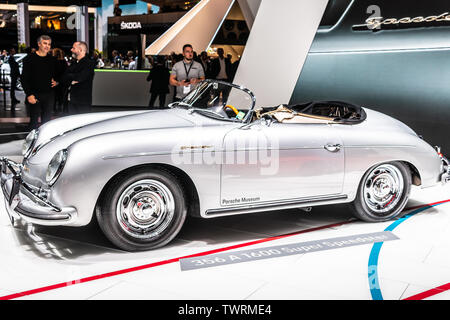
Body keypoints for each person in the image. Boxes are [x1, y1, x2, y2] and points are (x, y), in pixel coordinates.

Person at [21, 35, 58, 130]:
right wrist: (29, 94)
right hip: (34, 94)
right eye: (45, 43)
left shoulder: (52, 60)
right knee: (33, 122)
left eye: (49, 44)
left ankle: (44, 143)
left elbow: (60, 74)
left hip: (49, 94)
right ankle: (32, 144)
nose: (47, 46)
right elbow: (24, 79)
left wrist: (57, 81)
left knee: (46, 122)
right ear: (39, 44)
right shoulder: (29, 59)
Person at [62, 41, 95, 115]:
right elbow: (64, 77)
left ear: (80, 50)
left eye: (73, 48)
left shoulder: (89, 63)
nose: (71, 50)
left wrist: (70, 77)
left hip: (82, 102)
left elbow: (80, 77)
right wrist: (72, 80)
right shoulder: (74, 62)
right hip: (70, 100)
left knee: (82, 124)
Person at [52, 48, 68, 114]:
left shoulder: (52, 62)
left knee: (54, 97)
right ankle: (61, 109)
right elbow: (66, 72)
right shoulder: (63, 62)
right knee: (61, 96)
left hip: (53, 81)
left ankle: (54, 110)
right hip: (62, 82)